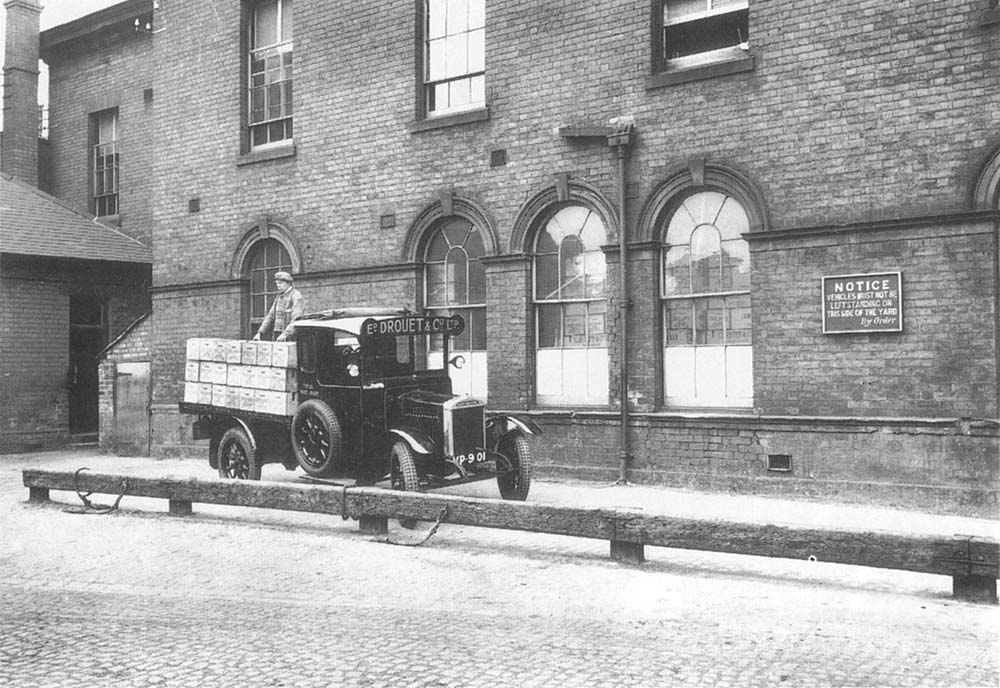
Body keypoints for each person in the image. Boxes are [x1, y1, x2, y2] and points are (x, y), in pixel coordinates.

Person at [253, 271, 305, 342]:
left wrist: (285, 334)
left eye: (280, 283)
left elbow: (296, 319)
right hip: (278, 335)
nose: (278, 285)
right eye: (277, 283)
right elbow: (270, 316)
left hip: (291, 336)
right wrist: (260, 333)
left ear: (288, 283)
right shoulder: (278, 297)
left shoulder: (296, 296)